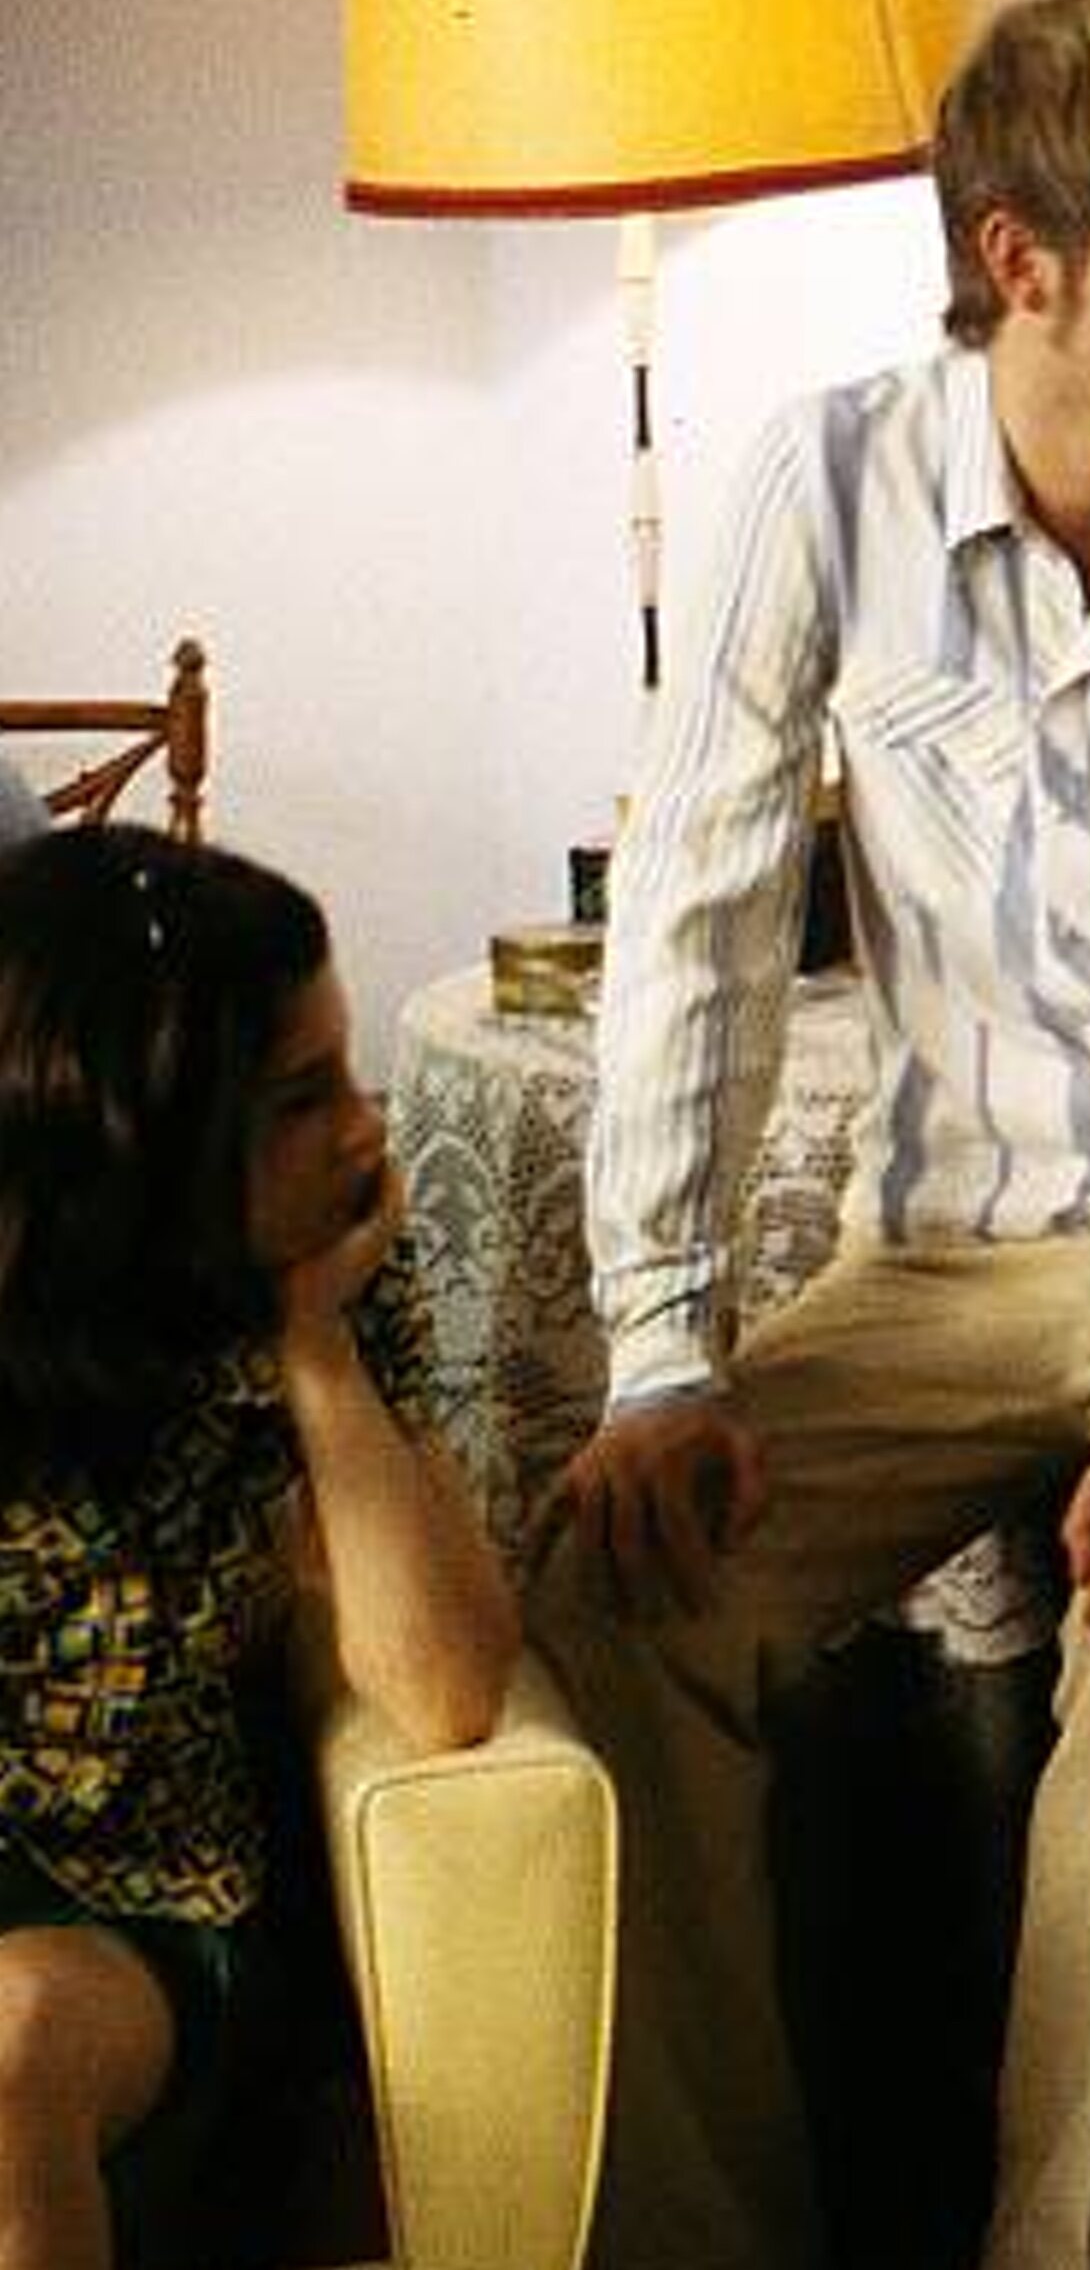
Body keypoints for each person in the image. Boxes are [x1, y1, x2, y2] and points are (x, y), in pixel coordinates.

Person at [533, 0, 1090, 2270]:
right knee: (621, 1597)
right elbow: (701, 914)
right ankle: (699, 2244)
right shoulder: (819, 480)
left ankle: (1079, 2250)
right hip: (950, 1246)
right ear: (1018, 256)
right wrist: (663, 1346)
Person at [0, 828, 519, 2270]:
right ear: (130, 1136)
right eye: (303, 1098)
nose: (366, 1129)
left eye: (347, 1072)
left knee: (10, 2052)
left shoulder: (333, 1278)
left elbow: (451, 1689)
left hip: (131, 1903)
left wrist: (315, 1353)